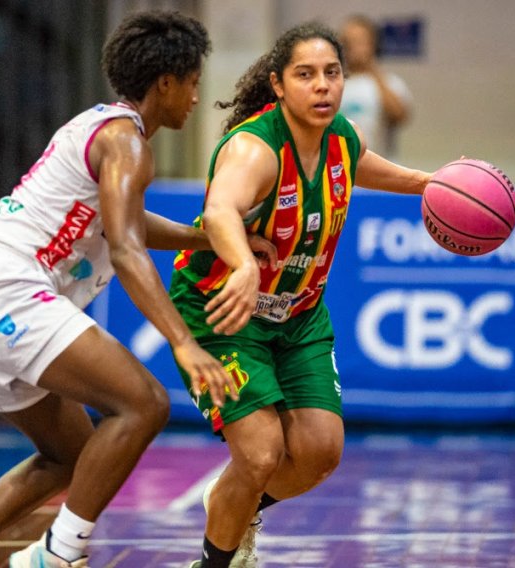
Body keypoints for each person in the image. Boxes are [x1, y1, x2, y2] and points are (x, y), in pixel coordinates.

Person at [0, 10, 275, 568]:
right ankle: (59, 554)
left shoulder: (104, 127)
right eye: (194, 82)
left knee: (72, 454)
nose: (198, 96)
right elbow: (125, 248)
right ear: (166, 83)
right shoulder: (128, 143)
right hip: (5, 291)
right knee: (143, 404)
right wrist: (182, 342)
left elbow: (127, 224)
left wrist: (209, 240)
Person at [169, 22, 435, 568]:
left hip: (298, 316)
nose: (322, 86)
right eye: (305, 75)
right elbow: (220, 209)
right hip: (225, 311)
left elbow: (388, 174)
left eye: (331, 73)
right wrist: (242, 263)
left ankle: (234, 504)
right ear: (278, 84)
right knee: (261, 452)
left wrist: (443, 185)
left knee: (319, 453)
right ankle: (215, 560)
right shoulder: (253, 149)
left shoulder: (341, 139)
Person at [338, 14, 412, 161]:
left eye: (360, 41)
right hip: (343, 170)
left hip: (382, 169)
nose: (354, 48)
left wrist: (372, 70)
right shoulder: (335, 83)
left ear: (373, 44)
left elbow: (400, 115)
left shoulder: (390, 82)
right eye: (349, 42)